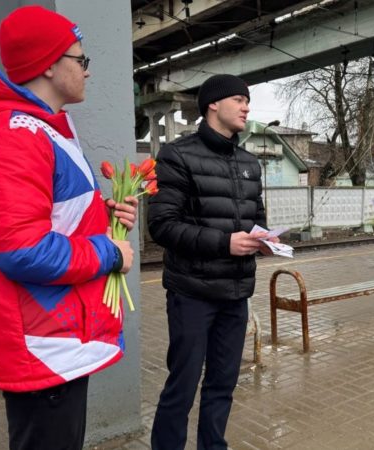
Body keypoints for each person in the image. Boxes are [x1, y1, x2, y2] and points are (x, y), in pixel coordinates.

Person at [0, 6, 137, 450]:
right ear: (50, 64)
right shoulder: (16, 136)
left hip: (54, 336)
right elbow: (21, 250)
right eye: (81, 60)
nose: (88, 72)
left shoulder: (43, 129)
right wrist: (112, 252)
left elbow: (50, 218)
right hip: (42, 342)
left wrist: (103, 213)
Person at [148, 74, 277, 450]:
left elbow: (258, 220)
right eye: (239, 99)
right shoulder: (177, 155)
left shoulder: (250, 163)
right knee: (183, 384)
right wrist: (224, 243)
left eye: (248, 100)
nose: (246, 107)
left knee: (223, 383)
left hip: (235, 292)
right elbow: (162, 225)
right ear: (213, 105)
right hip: (192, 293)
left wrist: (264, 241)